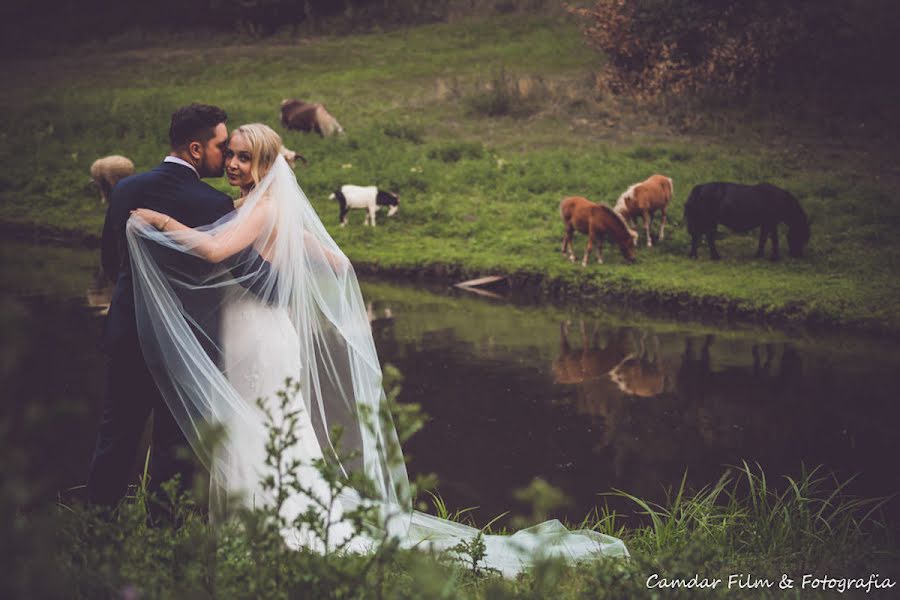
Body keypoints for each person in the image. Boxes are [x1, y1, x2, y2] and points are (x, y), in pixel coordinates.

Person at [128, 123, 629, 574]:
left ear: (264, 163)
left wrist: (158, 221)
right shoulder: (267, 208)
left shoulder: (260, 208)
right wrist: (287, 277)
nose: (233, 165)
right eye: (231, 155)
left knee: (257, 426)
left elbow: (215, 250)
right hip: (259, 327)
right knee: (263, 426)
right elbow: (338, 264)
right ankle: (263, 526)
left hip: (259, 332)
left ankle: (273, 532)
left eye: (243, 157)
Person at [88, 103, 234, 507]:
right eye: (222, 145)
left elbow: (110, 263)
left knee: (115, 435)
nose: (226, 154)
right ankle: (162, 530)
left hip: (129, 332)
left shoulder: (126, 189)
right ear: (195, 149)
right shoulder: (214, 204)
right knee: (175, 445)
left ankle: (98, 522)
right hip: (185, 343)